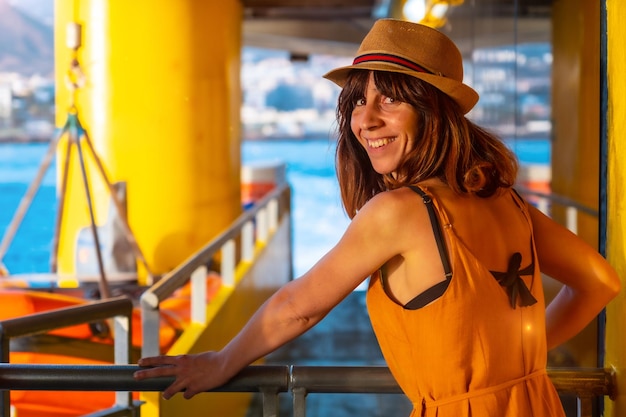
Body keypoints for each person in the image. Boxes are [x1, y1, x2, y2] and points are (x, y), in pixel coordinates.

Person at [133, 18, 621, 416]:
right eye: (358, 101)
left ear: (435, 111)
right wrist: (513, 361)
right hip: (536, 402)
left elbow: (299, 307)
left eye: (390, 98)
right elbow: (599, 281)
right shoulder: (504, 199)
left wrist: (220, 361)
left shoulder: (399, 212)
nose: (365, 119)